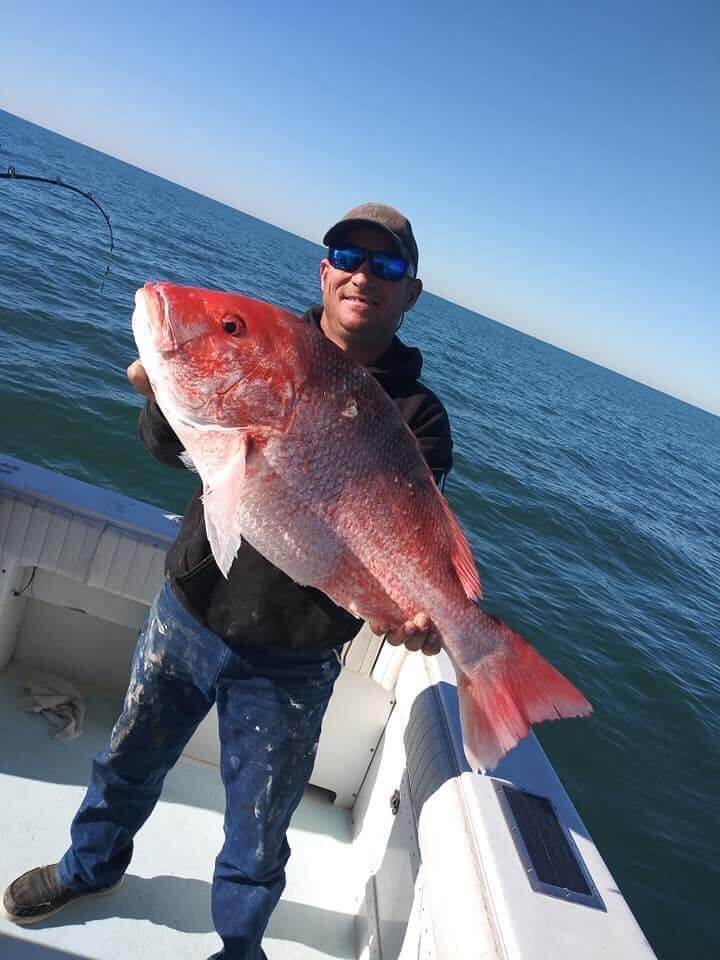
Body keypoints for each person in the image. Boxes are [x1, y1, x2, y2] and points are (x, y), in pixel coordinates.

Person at [2, 203, 454, 959]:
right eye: (348, 253)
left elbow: (406, 538)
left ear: (411, 293)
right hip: (191, 607)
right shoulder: (265, 341)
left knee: (259, 823)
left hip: (296, 655)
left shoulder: (417, 416)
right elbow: (168, 447)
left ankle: (239, 947)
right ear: (324, 269)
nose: (363, 274)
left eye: (388, 265)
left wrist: (410, 608)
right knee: (127, 757)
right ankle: (91, 867)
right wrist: (163, 394)